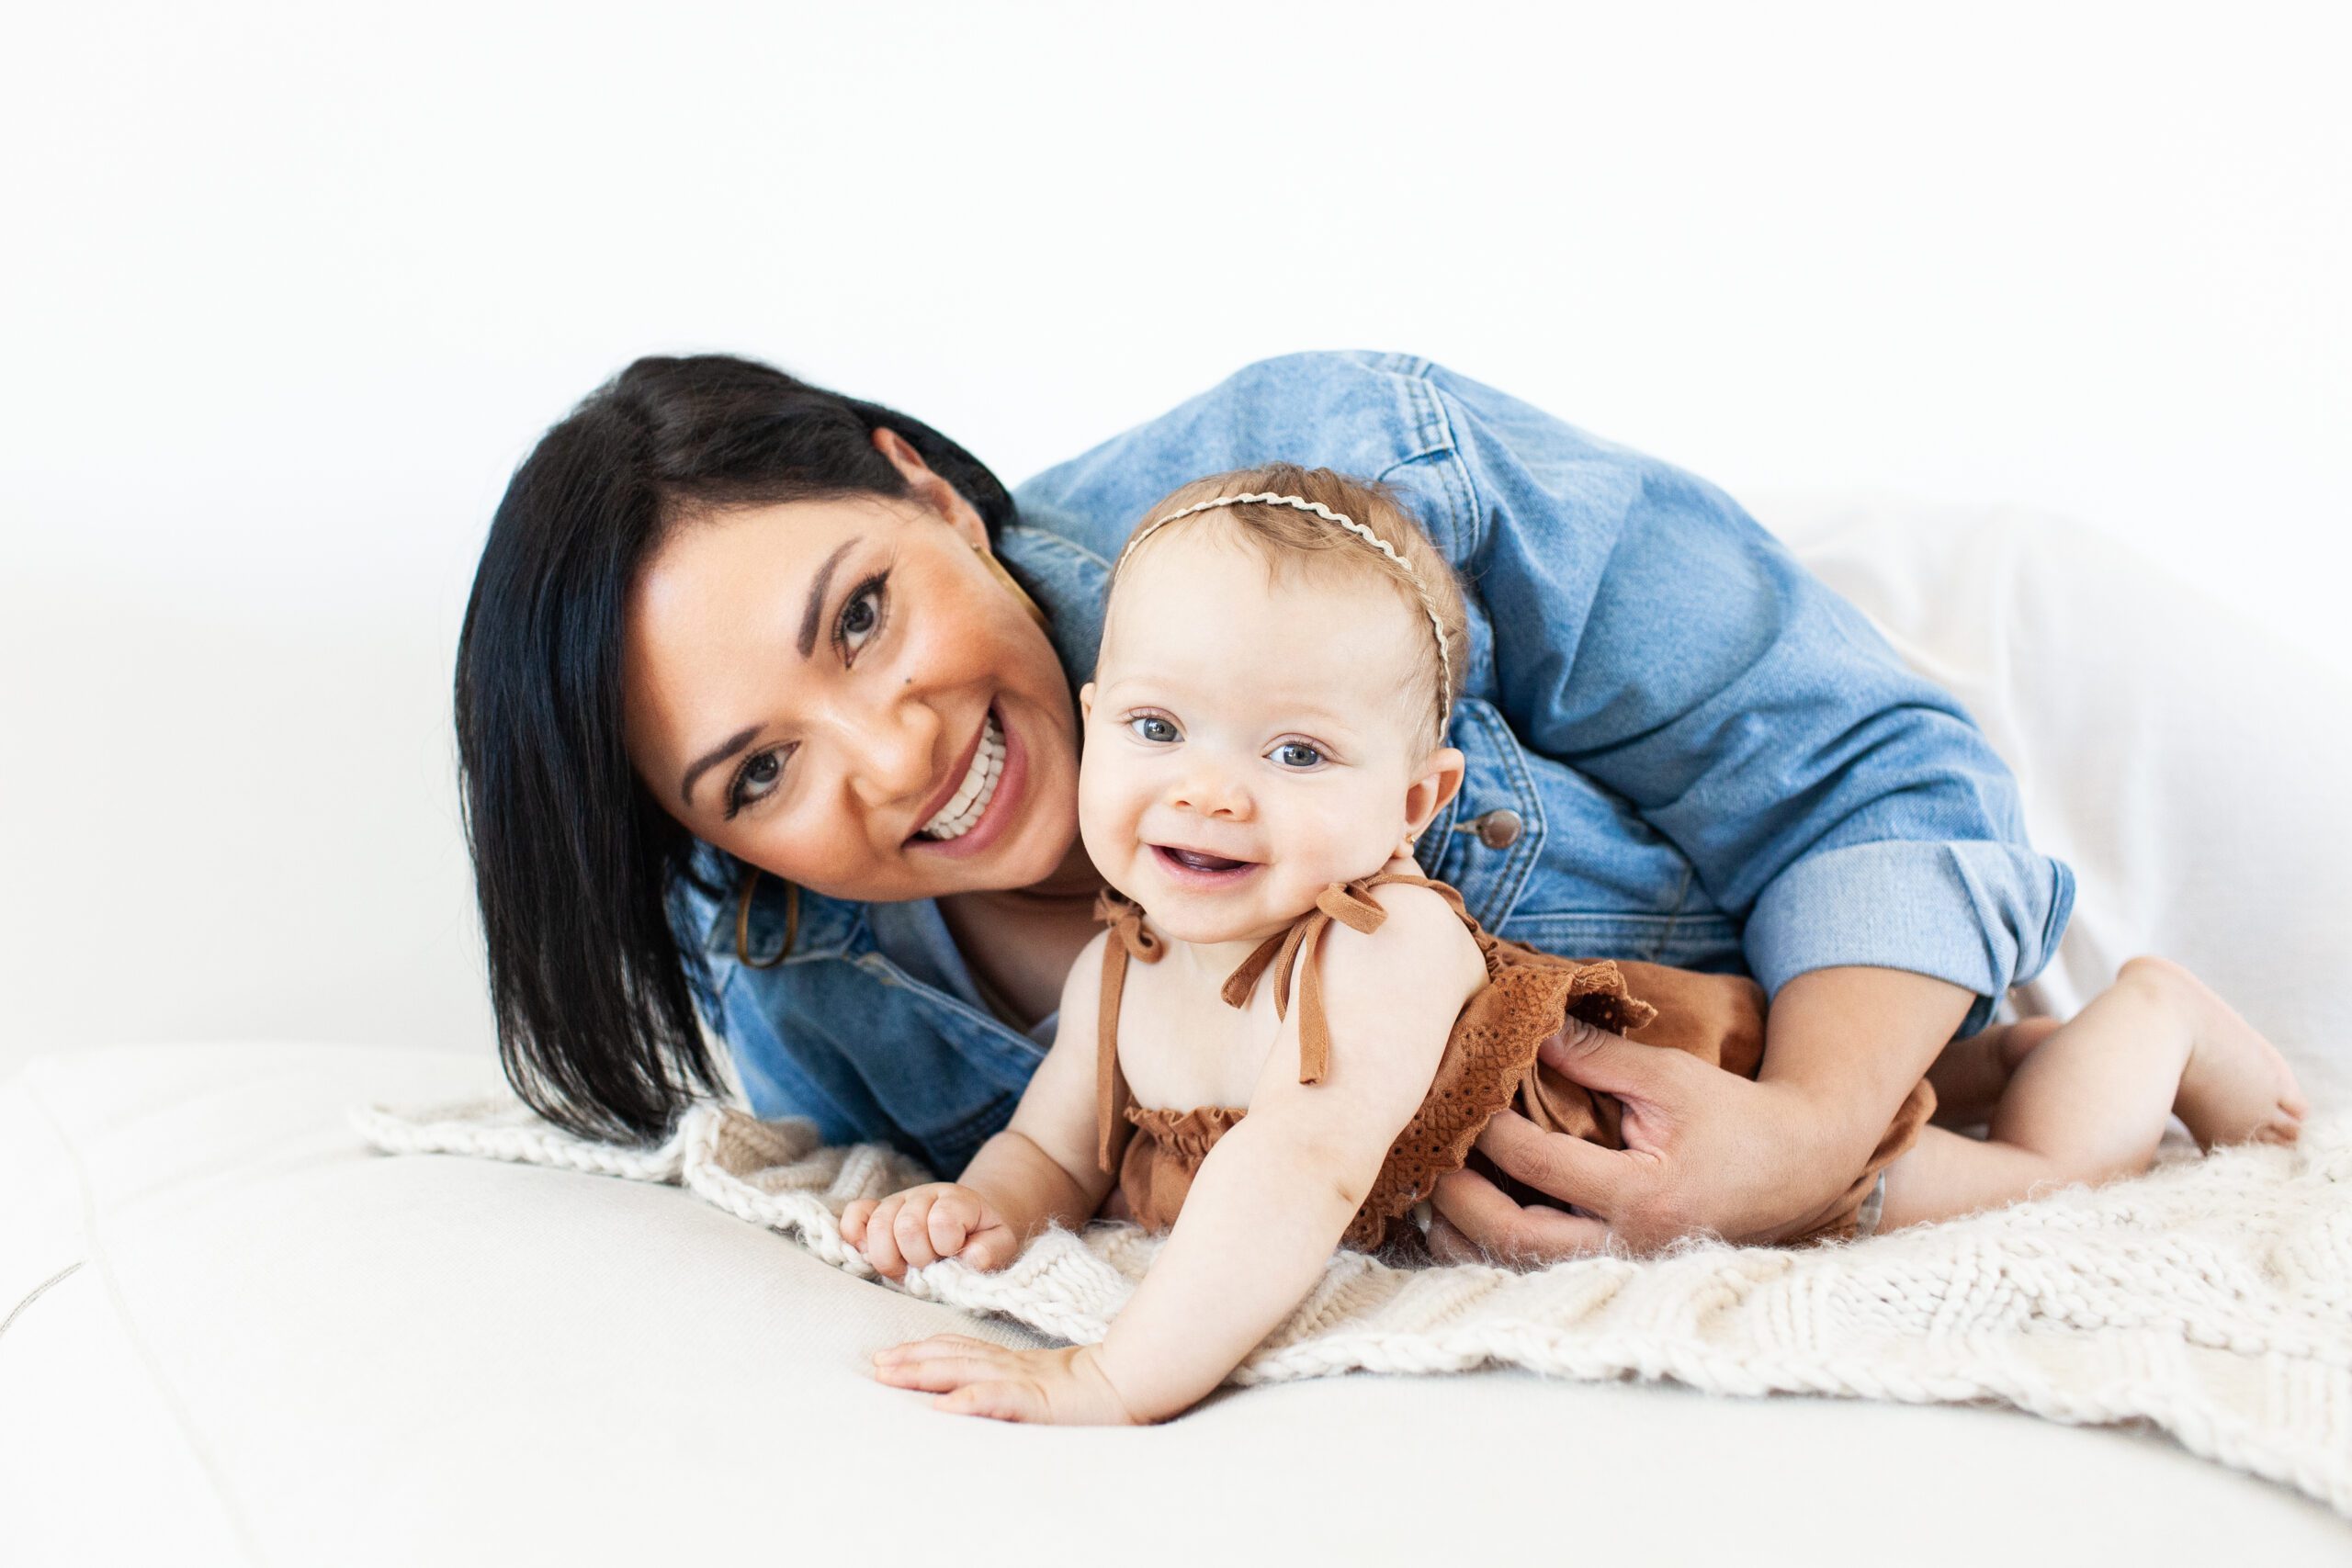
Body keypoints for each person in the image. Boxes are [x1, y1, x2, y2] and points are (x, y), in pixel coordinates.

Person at [455, 349, 2077, 1264]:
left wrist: (1801, 1139)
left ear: (928, 490)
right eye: (757, 771)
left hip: (1882, 1047)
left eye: (863, 615)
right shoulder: (790, 975)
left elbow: (1870, 776)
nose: (891, 762)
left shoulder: (1341, 489)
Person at [843, 468, 2308, 1425]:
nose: (1212, 789)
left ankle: (2151, 1023)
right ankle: (2008, 1055)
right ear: (1101, 726)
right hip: (1639, 1130)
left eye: (1298, 751)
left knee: (2023, 1190)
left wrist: (1114, 1376)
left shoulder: (1383, 944)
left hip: (1671, 1126)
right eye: (1161, 730)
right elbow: (1054, 1149)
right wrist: (977, 1209)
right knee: (1976, 1096)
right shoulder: (1118, 971)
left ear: (1410, 806)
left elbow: (1299, 1162)